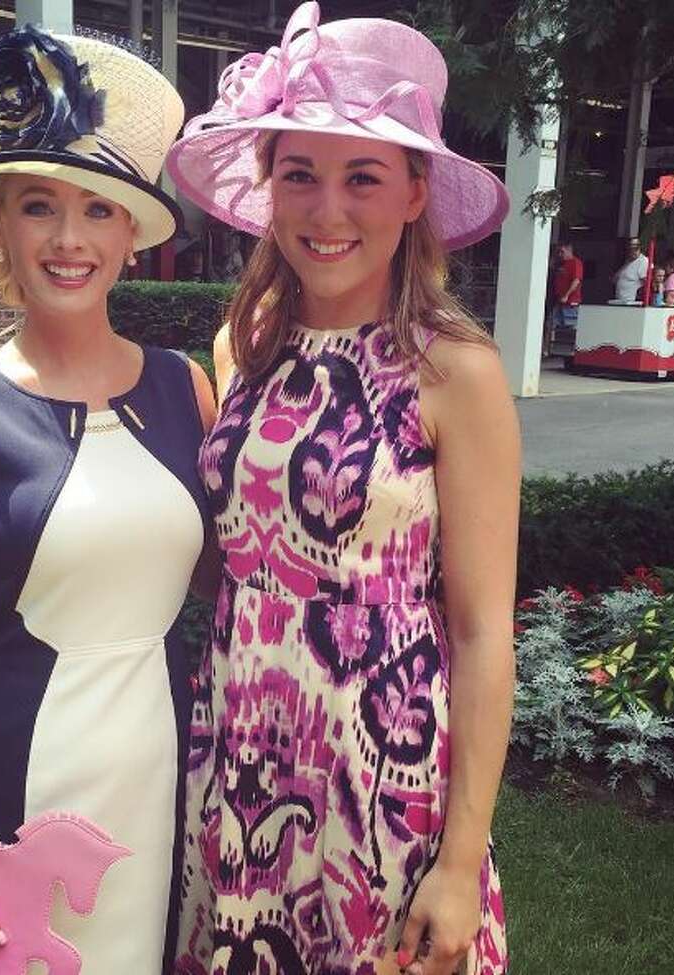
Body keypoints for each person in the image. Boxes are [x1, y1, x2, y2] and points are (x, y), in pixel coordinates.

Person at [167, 4, 518, 974]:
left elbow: (486, 632)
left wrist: (458, 860)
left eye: (362, 177)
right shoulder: (240, 348)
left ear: (413, 193)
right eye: (301, 176)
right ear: (268, 188)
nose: (327, 213)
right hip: (238, 756)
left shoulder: (455, 371)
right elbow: (226, 559)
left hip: (380, 770)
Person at [0, 24, 215, 975]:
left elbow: (222, 580)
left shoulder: (185, 386)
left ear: (131, 234)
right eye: (39, 206)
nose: (70, 239)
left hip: (164, 760)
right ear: (2, 224)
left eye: (98, 210)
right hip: (17, 770)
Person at [547, 240, 583, 355]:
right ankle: (553, 349)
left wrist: (567, 295)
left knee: (570, 326)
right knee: (553, 325)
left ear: (569, 250)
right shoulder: (561, 264)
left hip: (570, 301)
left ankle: (572, 352)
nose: (560, 254)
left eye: (562, 252)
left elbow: (576, 280)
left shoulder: (576, 263)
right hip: (559, 300)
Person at [613, 236, 649, 302]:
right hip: (620, 300)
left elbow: (646, 282)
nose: (632, 250)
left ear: (640, 247)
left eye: (635, 248)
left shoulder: (643, 261)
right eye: (630, 248)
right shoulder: (628, 261)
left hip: (631, 302)